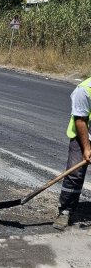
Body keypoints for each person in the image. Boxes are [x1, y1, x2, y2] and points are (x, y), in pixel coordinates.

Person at [53, 77, 91, 230]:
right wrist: (87, 148)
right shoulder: (84, 90)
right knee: (75, 172)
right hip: (83, 134)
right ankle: (65, 210)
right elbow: (80, 120)